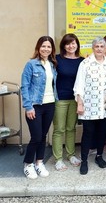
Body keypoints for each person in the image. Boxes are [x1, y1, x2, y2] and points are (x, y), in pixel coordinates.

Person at [74, 37, 106, 175]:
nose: (99, 49)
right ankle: (84, 160)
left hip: (105, 105)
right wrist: (79, 103)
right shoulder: (85, 64)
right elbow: (79, 85)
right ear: (93, 48)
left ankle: (99, 156)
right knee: (88, 133)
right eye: (97, 46)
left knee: (102, 132)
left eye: (101, 46)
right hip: (89, 106)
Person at [21, 36, 58, 179]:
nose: (46, 49)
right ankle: (28, 164)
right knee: (36, 137)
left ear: (52, 49)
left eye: (49, 47)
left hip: (50, 104)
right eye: (43, 46)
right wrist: (28, 106)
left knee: (43, 136)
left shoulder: (53, 64)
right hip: (35, 106)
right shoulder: (31, 64)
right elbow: (25, 86)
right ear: (38, 47)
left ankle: (39, 162)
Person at [52, 33, 84, 171]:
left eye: (73, 43)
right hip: (60, 99)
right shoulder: (57, 59)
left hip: (75, 99)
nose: (71, 46)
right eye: (68, 43)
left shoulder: (82, 61)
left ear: (77, 44)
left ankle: (71, 154)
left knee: (71, 128)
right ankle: (58, 159)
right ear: (63, 46)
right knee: (59, 129)